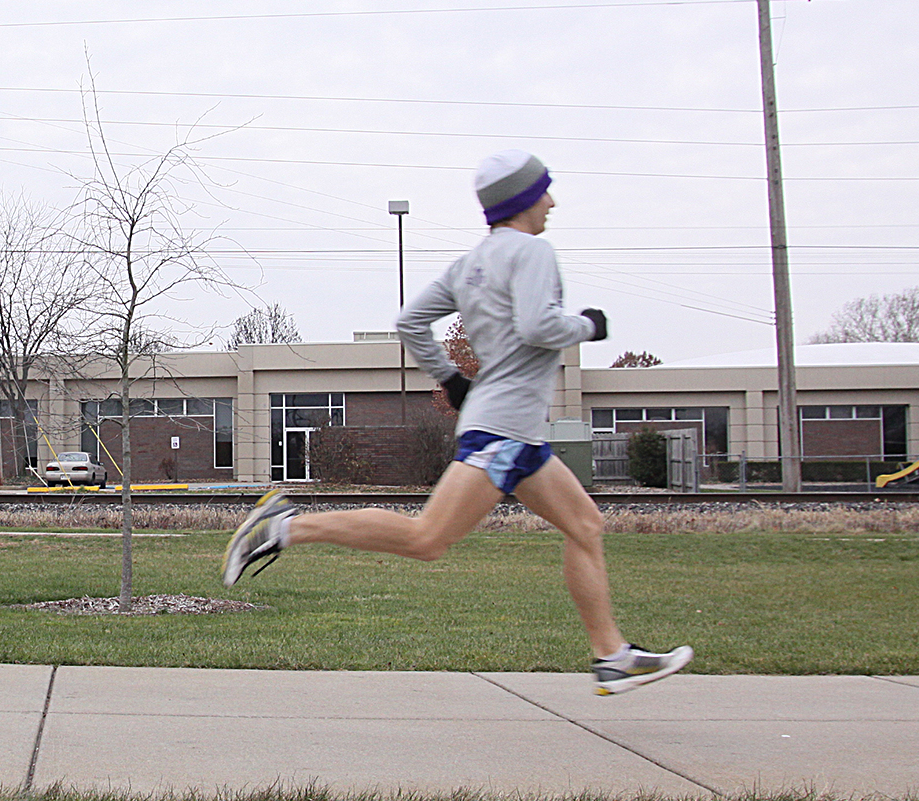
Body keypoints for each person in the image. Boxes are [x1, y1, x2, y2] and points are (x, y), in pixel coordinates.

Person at [223, 150, 692, 696]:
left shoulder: (471, 263)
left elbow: (409, 320)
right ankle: (283, 526)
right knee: (427, 539)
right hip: (505, 431)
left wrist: (449, 377)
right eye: (545, 191)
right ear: (522, 199)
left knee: (585, 527)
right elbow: (540, 326)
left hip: (514, 430)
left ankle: (611, 654)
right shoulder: (532, 251)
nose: (552, 201)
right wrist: (587, 325)